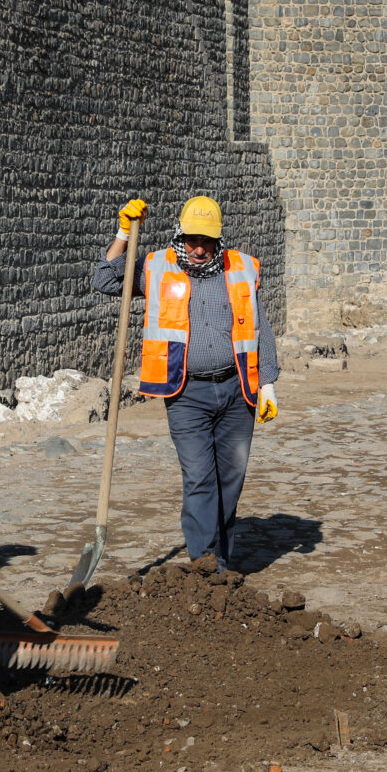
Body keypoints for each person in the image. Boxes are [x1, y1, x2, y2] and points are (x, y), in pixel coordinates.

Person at [94, 196, 280, 571]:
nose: (199, 248)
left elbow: (261, 326)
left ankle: (221, 561)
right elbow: (104, 278)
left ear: (218, 239)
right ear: (180, 234)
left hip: (237, 390)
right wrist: (123, 233)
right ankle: (204, 563)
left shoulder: (240, 268)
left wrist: (268, 384)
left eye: (207, 241)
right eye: (192, 239)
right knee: (199, 477)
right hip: (185, 392)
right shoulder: (156, 268)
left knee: (231, 478)